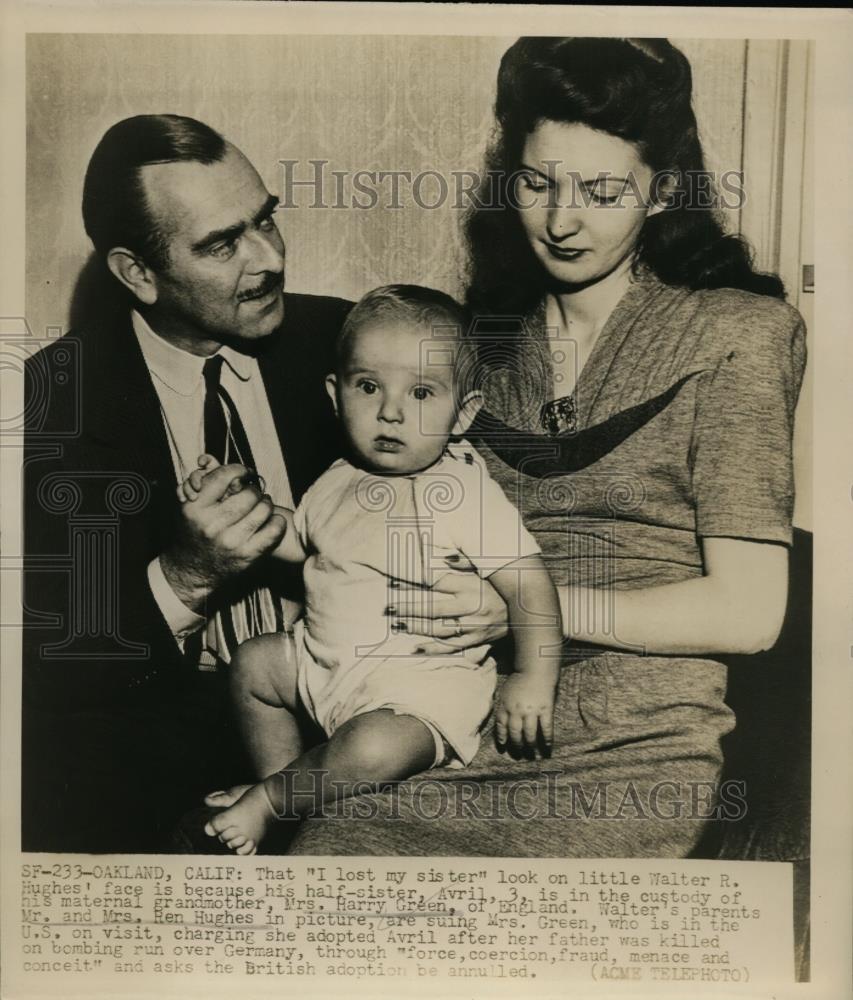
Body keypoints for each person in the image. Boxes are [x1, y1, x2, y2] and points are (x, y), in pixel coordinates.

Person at [282, 37, 807, 858]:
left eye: (601, 191)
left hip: (630, 743)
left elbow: (749, 613)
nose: (561, 222)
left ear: (662, 191)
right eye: (536, 183)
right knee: (320, 851)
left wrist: (534, 608)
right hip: (459, 711)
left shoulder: (737, 333)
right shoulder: (476, 347)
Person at [21, 117, 504, 853]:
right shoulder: (49, 402)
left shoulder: (352, 347)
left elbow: (492, 495)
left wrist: (493, 600)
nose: (269, 258)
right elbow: (49, 667)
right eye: (222, 244)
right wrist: (184, 577)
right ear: (137, 273)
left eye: (266, 220)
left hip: (375, 718)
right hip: (170, 749)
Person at [175, 285, 563, 854]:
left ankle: (271, 800)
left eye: (422, 392)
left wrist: (534, 678)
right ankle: (285, 788)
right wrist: (237, 503)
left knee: (376, 748)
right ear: (336, 394)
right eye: (369, 386)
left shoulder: (460, 491)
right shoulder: (339, 479)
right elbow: (301, 541)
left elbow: (530, 584)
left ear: (464, 412)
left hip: (415, 692)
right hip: (322, 666)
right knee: (254, 665)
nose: (390, 411)